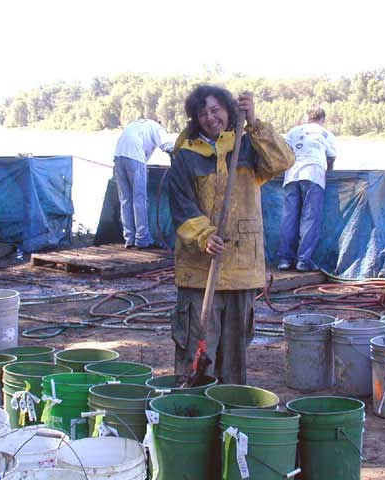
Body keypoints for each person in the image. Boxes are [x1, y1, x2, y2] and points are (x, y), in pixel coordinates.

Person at [168, 85, 295, 384]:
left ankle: (231, 417)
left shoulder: (249, 146)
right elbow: (181, 205)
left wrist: (254, 122)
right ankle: (191, 413)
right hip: (200, 271)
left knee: (234, 357)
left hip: (242, 269)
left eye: (215, 110)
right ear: (195, 119)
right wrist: (204, 236)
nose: (210, 118)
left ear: (228, 110)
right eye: (202, 113)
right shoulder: (186, 156)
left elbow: (284, 160)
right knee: (196, 351)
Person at [277, 105, 337, 272]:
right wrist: (328, 172)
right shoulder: (326, 134)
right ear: (322, 119)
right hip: (313, 174)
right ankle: (303, 260)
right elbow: (331, 157)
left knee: (288, 217)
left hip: (291, 174)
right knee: (310, 218)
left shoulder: (294, 131)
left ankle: (284, 259)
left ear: (306, 117)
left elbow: (284, 151)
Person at [113, 118, 173, 249]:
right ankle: (142, 239)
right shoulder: (157, 127)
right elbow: (168, 145)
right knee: (139, 199)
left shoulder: (138, 124)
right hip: (135, 158)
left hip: (118, 156)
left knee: (125, 200)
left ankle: (129, 238)